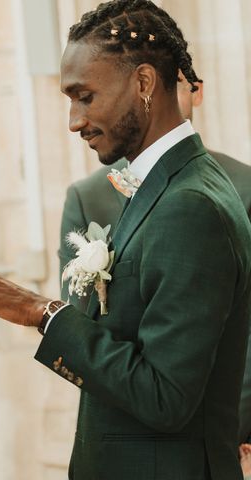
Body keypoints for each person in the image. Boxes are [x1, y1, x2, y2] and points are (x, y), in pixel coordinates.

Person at [0, 0, 251, 478]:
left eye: (85, 96)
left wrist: (42, 314)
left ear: (143, 83)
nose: (74, 120)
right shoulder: (164, 185)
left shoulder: (190, 205)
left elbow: (165, 396)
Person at [58, 71, 251, 313]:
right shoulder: (86, 197)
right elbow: (78, 313)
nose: (159, 98)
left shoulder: (245, 184)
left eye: (173, 84)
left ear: (197, 92)